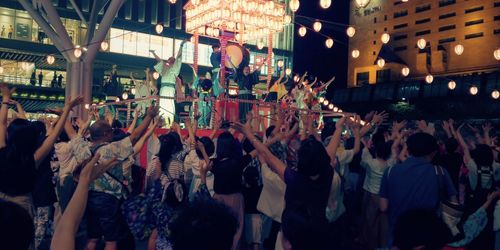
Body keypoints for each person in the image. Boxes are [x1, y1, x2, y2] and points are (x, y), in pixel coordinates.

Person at [85, 105, 158, 250]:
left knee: (93, 238)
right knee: (111, 241)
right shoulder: (112, 150)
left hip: (88, 196)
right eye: (110, 131)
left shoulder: (84, 148)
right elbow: (135, 136)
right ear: (106, 133)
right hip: (108, 199)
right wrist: (149, 116)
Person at [379, 132, 458, 246]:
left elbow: (383, 207)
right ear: (433, 152)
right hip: (429, 237)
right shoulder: (440, 172)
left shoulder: (390, 171)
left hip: (398, 236)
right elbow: (454, 204)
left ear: (408, 150)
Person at [151, 40, 187, 124]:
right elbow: (159, 61)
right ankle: (161, 123)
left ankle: (169, 123)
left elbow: (178, 57)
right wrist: (153, 53)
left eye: (170, 59)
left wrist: (181, 46)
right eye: (168, 60)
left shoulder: (175, 68)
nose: (168, 61)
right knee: (162, 106)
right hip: (163, 89)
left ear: (173, 62)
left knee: (169, 106)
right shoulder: (164, 69)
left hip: (170, 89)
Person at [230, 58, 263, 123]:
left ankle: (247, 123)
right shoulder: (239, 76)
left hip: (249, 96)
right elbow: (234, 69)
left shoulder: (251, 76)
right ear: (242, 70)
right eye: (245, 69)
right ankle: (241, 123)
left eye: (248, 69)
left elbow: (257, 71)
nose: (247, 70)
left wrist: (263, 63)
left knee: (248, 110)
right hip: (241, 96)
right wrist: (229, 61)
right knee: (241, 110)